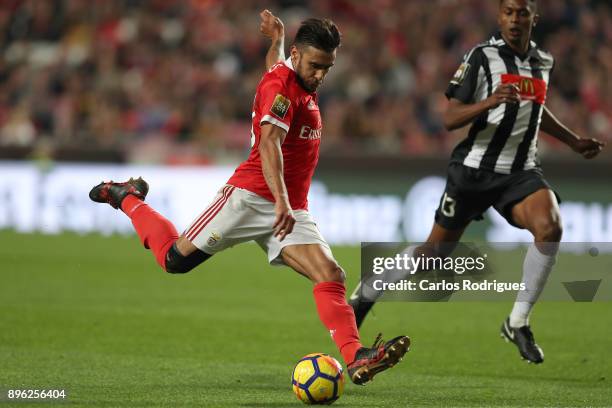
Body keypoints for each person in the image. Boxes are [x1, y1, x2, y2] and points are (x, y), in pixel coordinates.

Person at [89, 10, 409, 385]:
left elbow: (276, 64)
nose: (322, 75)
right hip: (251, 197)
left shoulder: (293, 76)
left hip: (287, 208)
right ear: (300, 56)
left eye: (329, 67)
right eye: (317, 66)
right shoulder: (281, 90)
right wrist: (282, 202)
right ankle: (127, 197)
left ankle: (356, 358)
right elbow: (271, 144)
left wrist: (277, 40)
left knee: (331, 274)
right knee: (175, 259)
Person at [349, 0, 604, 364]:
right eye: (509, 12)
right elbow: (450, 117)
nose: (515, 19)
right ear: (500, 16)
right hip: (473, 172)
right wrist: (489, 102)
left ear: (535, 17)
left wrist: (572, 139)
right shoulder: (482, 57)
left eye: (523, 12)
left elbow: (534, 108)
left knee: (550, 228)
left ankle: (517, 322)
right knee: (432, 255)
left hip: (520, 172)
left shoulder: (542, 62)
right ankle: (369, 290)